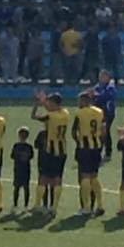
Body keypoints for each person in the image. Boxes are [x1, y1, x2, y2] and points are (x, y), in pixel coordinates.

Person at [32, 90, 72, 218]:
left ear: (54, 103)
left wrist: (37, 104)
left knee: (44, 178)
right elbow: (51, 110)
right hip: (62, 150)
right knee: (57, 179)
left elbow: (34, 116)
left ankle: (38, 205)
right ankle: (53, 207)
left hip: (50, 151)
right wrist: (44, 102)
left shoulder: (50, 116)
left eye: (50, 102)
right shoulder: (65, 113)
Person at [71, 90, 107, 219]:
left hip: (84, 148)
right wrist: (101, 145)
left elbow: (74, 132)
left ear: (85, 101)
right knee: (94, 176)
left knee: (85, 177)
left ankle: (86, 208)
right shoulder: (100, 112)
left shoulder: (79, 113)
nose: (78, 103)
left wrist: (79, 142)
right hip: (96, 147)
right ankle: (100, 205)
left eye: (80, 100)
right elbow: (103, 131)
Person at [8, 124, 35, 214]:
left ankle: (15, 205)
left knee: (17, 187)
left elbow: (12, 156)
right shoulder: (29, 147)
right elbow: (31, 156)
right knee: (26, 187)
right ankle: (25, 206)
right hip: (26, 169)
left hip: (17, 169)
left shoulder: (16, 146)